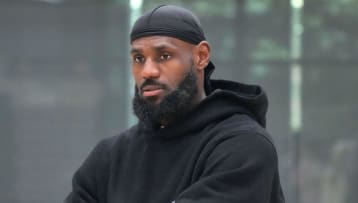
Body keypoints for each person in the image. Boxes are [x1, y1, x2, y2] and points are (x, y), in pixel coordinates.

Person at [65, 5, 285, 203]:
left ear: (201, 56)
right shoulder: (110, 156)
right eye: (139, 59)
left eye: (164, 56)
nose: (148, 71)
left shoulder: (242, 146)